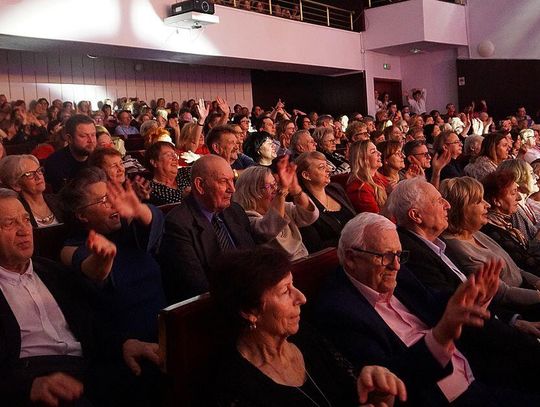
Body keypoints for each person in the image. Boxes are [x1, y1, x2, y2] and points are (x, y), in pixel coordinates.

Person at [314, 212, 540, 406]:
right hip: (443, 397)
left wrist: (474, 299)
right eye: (386, 256)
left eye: (399, 255)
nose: (396, 265)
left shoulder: (396, 272)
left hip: (477, 370)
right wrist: (442, 335)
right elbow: (387, 380)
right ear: (351, 258)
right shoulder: (339, 311)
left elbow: (434, 302)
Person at [0, 188, 162, 407]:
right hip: (33, 375)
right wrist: (28, 386)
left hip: (86, 364)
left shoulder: (50, 271)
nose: (23, 230)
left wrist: (124, 344)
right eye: (10, 223)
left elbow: (90, 322)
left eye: (26, 220)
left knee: (157, 370)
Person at [211, 246, 407, 407]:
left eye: (293, 285)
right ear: (249, 311)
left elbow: (357, 396)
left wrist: (379, 393)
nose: (302, 298)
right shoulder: (232, 386)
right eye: (285, 291)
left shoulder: (306, 336)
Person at [60, 167, 166, 344]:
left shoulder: (126, 227)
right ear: (82, 215)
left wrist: (138, 209)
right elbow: (95, 272)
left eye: (112, 196)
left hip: (163, 321)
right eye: (103, 200)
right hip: (125, 338)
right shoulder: (72, 247)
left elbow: (156, 220)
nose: (113, 204)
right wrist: (103, 257)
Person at [159, 155, 256, 303]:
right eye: (223, 181)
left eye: (232, 180)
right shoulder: (177, 225)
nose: (232, 189)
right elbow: (198, 288)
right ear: (200, 185)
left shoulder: (235, 210)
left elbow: (253, 259)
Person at [440, 176, 540, 319]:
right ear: (461, 209)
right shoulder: (457, 249)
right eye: (479, 201)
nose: (487, 204)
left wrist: (537, 282)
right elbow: (503, 294)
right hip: (518, 310)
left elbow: (516, 270)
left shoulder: (476, 233)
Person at [233, 157, 318, 260]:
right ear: (252, 191)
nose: (275, 189)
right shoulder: (246, 217)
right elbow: (269, 229)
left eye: (275, 184)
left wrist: (296, 189)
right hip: (284, 267)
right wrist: (282, 191)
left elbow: (309, 216)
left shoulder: (283, 207)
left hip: (305, 260)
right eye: (269, 186)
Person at [481, 169, 540, 275]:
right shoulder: (492, 232)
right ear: (496, 201)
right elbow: (526, 265)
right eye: (513, 193)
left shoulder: (504, 222)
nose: (519, 197)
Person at [295, 151, 355, 252]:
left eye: (327, 165)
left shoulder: (336, 189)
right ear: (306, 175)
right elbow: (316, 246)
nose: (329, 170)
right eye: (322, 167)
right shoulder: (303, 205)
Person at [0, 154, 63, 227]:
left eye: (39, 170)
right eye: (29, 174)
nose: (38, 177)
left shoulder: (59, 201)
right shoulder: (16, 211)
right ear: (16, 185)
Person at [44, 114, 96, 192]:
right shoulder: (54, 163)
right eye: (83, 136)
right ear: (69, 138)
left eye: (93, 135)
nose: (91, 140)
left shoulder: (99, 158)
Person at [346, 140, 388, 213]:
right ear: (361, 159)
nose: (379, 153)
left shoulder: (379, 178)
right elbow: (376, 217)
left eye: (377, 150)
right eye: (373, 152)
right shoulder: (359, 188)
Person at [144, 141, 191, 206]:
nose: (175, 158)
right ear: (154, 162)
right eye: (168, 155)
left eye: (174, 155)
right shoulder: (152, 190)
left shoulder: (185, 172)